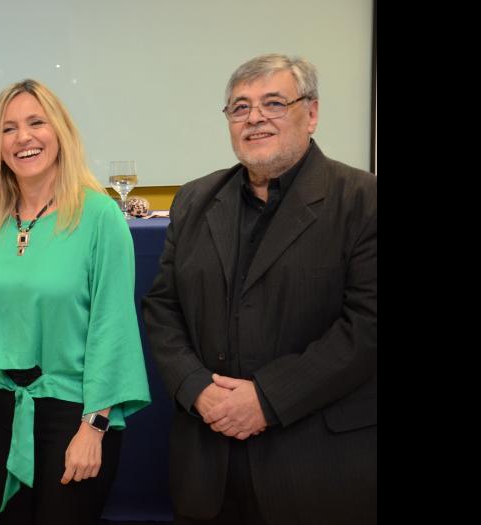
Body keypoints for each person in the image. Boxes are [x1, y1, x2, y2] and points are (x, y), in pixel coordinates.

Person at [143, 53, 377, 525]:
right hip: (208, 466)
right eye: (239, 107)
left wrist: (267, 399)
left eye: (273, 103)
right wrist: (196, 388)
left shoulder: (363, 200)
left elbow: (367, 327)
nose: (254, 118)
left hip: (319, 467)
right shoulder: (194, 199)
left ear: (311, 113)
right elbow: (162, 308)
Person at [0, 78, 150, 524]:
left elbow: (113, 325)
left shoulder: (99, 215)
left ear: (60, 132)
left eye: (35, 123)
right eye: (8, 129)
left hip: (74, 413)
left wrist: (95, 426)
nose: (23, 138)